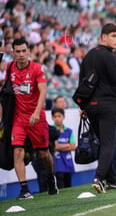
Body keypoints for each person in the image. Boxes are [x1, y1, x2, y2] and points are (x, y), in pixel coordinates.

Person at [78, 23, 116, 194]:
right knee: (108, 144)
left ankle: (111, 179)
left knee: (103, 143)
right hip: (107, 106)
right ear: (103, 37)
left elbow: (81, 82)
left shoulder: (88, 55)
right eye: (113, 36)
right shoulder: (109, 56)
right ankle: (98, 178)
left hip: (91, 106)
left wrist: (82, 106)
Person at [6, 38, 58, 199]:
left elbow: (43, 91)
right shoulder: (10, 67)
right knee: (18, 151)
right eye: (18, 51)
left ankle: (51, 178)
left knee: (44, 154)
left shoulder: (37, 68)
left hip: (36, 118)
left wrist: (36, 112)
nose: (21, 54)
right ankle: (24, 189)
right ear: (13, 52)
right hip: (19, 118)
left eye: (24, 51)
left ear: (28, 51)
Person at [52, 107, 76, 189]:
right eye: (55, 117)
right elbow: (55, 146)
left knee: (68, 187)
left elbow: (73, 146)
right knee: (60, 187)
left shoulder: (69, 131)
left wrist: (60, 146)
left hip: (68, 164)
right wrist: (67, 145)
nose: (57, 119)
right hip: (57, 165)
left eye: (59, 116)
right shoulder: (51, 130)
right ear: (52, 118)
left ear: (63, 117)